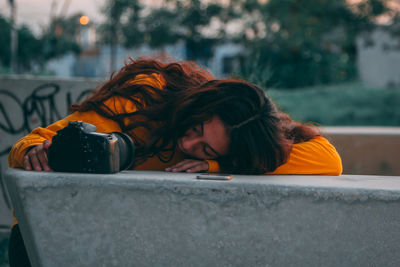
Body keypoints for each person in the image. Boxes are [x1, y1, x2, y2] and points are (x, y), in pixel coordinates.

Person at [8, 58, 341, 266]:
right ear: (200, 103)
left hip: (131, 238)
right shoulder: (146, 96)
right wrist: (34, 153)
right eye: (195, 128)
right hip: (50, 230)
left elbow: (328, 159)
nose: (188, 144)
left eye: (207, 150)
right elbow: (30, 143)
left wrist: (221, 167)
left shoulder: (236, 145)